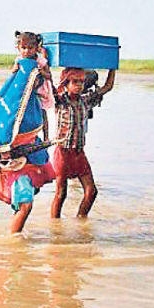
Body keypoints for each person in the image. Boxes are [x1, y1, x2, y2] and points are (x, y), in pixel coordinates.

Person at [0, 42, 56, 234]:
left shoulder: (34, 107)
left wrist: (46, 139)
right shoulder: (11, 108)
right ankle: (14, 242)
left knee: (24, 205)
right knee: (25, 205)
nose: (35, 83)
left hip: (29, 161)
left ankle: (14, 235)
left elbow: (43, 121)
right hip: (14, 165)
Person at [51, 67, 115, 218]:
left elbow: (107, 87)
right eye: (75, 82)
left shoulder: (85, 100)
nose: (79, 85)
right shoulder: (60, 101)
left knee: (91, 191)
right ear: (66, 84)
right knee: (61, 193)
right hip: (63, 153)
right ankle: (55, 225)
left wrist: (112, 67)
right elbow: (48, 87)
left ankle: (81, 218)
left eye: (81, 82)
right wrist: (44, 67)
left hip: (79, 153)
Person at [11, 31, 54, 141]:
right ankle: (20, 134)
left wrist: (41, 71)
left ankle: (46, 137)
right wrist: (15, 69)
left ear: (36, 48)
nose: (26, 51)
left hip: (39, 91)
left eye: (30, 48)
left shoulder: (40, 60)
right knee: (21, 111)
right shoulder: (19, 60)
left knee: (42, 112)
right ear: (18, 48)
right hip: (25, 90)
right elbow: (13, 73)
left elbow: (49, 75)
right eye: (23, 48)